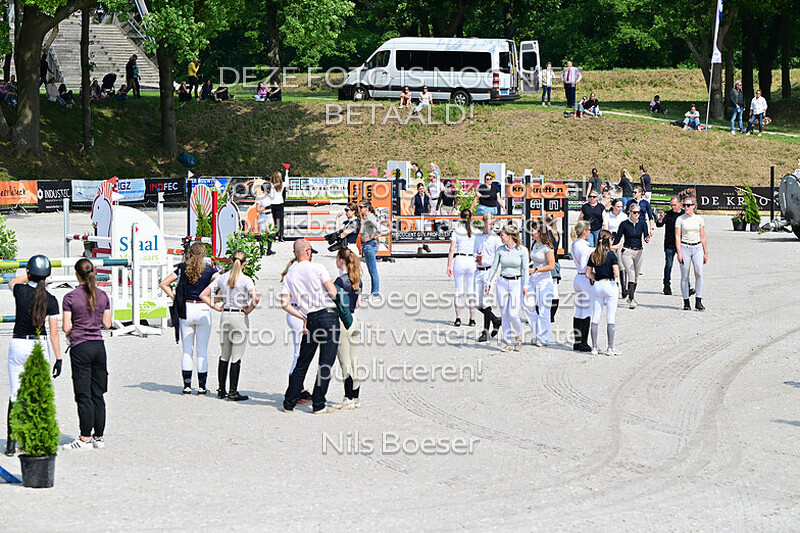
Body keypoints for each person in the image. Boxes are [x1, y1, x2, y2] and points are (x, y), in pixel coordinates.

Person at [5, 255, 62, 457]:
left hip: (18, 343)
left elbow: (12, 281)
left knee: (15, 394)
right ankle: (34, 438)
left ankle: (10, 443)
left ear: (29, 273)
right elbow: (54, 333)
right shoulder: (51, 300)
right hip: (39, 344)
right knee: (38, 394)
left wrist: (27, 275)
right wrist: (59, 358)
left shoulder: (20, 291)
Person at [281, 239, 341, 414]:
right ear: (307, 251)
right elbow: (333, 292)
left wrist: (302, 315)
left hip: (310, 317)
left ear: (295, 253)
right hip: (327, 315)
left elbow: (285, 303)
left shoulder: (289, 275)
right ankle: (318, 403)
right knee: (325, 362)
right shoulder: (318, 267)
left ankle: (289, 402)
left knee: (303, 361)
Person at [61, 258, 112, 450]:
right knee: (98, 393)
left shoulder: (70, 297)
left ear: (77, 274)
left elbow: (66, 327)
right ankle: (98, 436)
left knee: (83, 394)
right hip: (98, 346)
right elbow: (107, 324)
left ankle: (84, 438)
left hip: (80, 346)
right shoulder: (103, 295)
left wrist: (75, 331)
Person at [159, 243, 220, 394]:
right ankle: (202, 387)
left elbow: (164, 283)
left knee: (187, 350)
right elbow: (222, 284)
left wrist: (175, 297)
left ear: (190, 253)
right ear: (204, 254)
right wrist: (214, 300)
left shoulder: (182, 268)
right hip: (203, 308)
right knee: (202, 350)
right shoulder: (209, 270)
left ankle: (186, 386)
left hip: (186, 308)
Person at [200, 250, 260, 402]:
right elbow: (256, 298)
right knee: (236, 356)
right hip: (239, 316)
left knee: (224, 354)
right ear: (244, 263)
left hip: (225, 315)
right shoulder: (246, 280)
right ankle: (233, 391)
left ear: (231, 261)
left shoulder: (222, 278)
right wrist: (249, 309)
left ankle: (221, 389)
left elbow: (203, 294)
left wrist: (215, 306)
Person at [485, 225, 529, 352]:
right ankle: (508, 341)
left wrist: (526, 285)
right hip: (502, 282)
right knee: (504, 313)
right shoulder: (500, 249)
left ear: (510, 236)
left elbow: (525, 269)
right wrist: (488, 282)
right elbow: (494, 267)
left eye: (502, 235)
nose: (500, 236)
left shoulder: (522, 250)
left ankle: (518, 336)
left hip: (516, 282)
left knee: (513, 314)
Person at [334, 248, 362, 409]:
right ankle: (356, 396)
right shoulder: (357, 278)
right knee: (354, 359)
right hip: (355, 319)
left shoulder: (340, 281)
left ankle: (348, 397)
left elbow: (336, 303)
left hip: (343, 322)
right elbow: (357, 303)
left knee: (344, 361)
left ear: (341, 260)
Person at [586, 230, 620, 356]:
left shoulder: (593, 254)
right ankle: (610, 347)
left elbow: (588, 274)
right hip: (609, 284)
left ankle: (594, 347)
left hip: (597, 285)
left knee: (596, 315)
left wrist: (597, 275)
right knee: (610, 317)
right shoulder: (611, 255)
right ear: (608, 240)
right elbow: (616, 273)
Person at [523, 220, 556, 347]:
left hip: (544, 280)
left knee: (543, 310)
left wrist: (536, 269)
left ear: (540, 232)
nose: (531, 232)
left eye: (533, 230)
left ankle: (543, 338)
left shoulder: (547, 247)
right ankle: (536, 333)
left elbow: (551, 266)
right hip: (533, 278)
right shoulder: (534, 244)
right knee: (527, 304)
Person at [612, 203, 650, 308]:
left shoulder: (642, 223)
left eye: (638, 212)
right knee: (631, 274)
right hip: (627, 251)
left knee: (636, 276)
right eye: (635, 212)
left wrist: (647, 238)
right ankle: (632, 299)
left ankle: (630, 295)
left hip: (639, 251)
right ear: (630, 212)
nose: (637, 214)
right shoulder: (624, 224)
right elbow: (618, 237)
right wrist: (612, 247)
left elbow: (646, 235)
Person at [473, 213, 503, 342]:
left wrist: (494, 274)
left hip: (490, 271)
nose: (492, 226)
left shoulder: (496, 238)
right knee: (476, 303)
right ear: (484, 223)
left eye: (493, 224)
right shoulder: (478, 236)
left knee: (486, 301)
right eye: (490, 224)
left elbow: (498, 257)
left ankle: (485, 332)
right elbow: (474, 251)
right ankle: (495, 320)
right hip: (479, 270)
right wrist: (477, 258)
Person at [675, 198, 707, 311]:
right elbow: (677, 237)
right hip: (685, 247)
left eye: (688, 205)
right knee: (685, 275)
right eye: (684, 205)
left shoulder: (699, 219)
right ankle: (686, 301)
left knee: (699, 273)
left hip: (697, 247)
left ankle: (698, 299)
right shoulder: (680, 219)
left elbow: (703, 236)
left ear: (693, 206)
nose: (686, 207)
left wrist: (705, 252)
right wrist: (679, 252)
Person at [447, 208, 477, 327]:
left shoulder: (457, 231)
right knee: (471, 291)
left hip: (460, 259)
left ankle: (458, 318)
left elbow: (452, 249)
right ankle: (472, 319)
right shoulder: (475, 231)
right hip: (471, 260)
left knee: (459, 290)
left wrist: (449, 265)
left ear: (460, 217)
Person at [570, 221, 593, 352]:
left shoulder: (575, 244)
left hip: (578, 277)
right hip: (584, 278)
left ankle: (577, 342)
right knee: (586, 311)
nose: (590, 232)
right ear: (584, 232)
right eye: (589, 230)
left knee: (579, 310)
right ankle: (583, 342)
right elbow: (585, 264)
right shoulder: (583, 246)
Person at [656, 196, 685, 295]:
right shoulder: (668, 214)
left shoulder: (684, 214)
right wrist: (660, 219)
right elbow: (659, 225)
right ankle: (666, 285)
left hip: (682, 243)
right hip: (669, 244)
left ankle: (687, 286)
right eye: (671, 205)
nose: (673, 207)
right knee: (669, 265)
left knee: (684, 265)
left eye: (675, 205)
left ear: (680, 204)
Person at [359, 200, 382, 298]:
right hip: (368, 245)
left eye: (361, 207)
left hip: (369, 245)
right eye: (359, 207)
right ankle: (374, 292)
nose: (360, 209)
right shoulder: (367, 217)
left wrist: (371, 237)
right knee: (371, 270)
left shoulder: (369, 217)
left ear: (366, 208)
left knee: (373, 270)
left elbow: (379, 229)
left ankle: (375, 292)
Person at [256, 182, 275, 256]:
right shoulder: (260, 198)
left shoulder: (270, 197)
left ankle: (269, 250)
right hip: (263, 216)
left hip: (269, 216)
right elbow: (257, 210)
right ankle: (261, 250)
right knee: (263, 234)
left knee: (271, 233)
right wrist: (265, 208)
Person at [270, 171, 286, 241]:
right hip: (280, 204)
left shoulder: (271, 185)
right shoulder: (282, 185)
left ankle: (275, 235)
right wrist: (287, 172)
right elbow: (287, 181)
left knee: (274, 220)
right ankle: (281, 236)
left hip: (272, 204)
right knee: (280, 221)